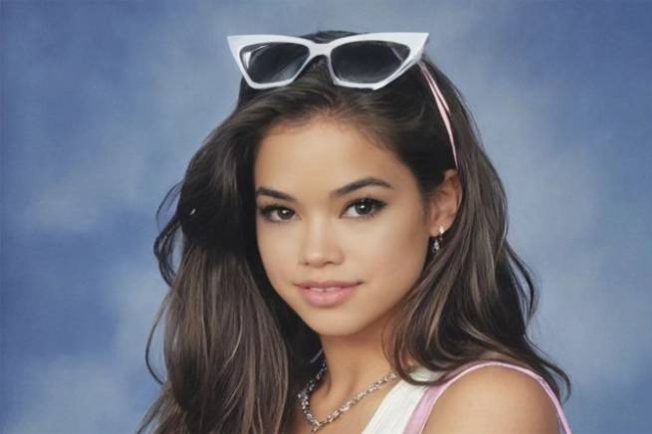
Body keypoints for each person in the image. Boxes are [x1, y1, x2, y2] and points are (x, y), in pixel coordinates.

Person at [136, 30, 574, 434]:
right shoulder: (246, 401)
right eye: (281, 212)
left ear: (441, 204)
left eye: (361, 207)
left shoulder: (490, 404)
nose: (316, 252)